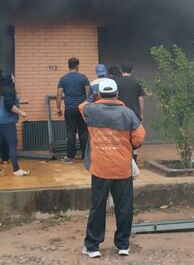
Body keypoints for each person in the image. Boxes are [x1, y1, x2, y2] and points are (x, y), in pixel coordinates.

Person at [78, 78, 145, 258]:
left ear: (99, 94)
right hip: (122, 169)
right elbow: (139, 136)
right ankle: (123, 245)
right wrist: (130, 146)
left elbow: (81, 106)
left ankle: (92, 247)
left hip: (100, 169)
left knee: (97, 207)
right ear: (117, 94)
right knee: (124, 207)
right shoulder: (128, 113)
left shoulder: (91, 110)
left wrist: (92, 97)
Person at [0, 74, 30, 176]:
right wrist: (21, 113)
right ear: (9, 80)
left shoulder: (4, 90)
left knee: (0, 142)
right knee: (12, 144)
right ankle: (16, 170)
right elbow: (9, 106)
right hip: (7, 121)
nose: (14, 78)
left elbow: (9, 102)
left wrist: (22, 102)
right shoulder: (8, 90)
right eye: (12, 76)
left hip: (0, 120)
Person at [56, 57, 91, 164]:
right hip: (81, 108)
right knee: (83, 132)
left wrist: (58, 108)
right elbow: (88, 93)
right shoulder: (83, 77)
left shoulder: (63, 79)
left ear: (69, 66)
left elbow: (59, 94)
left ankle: (70, 157)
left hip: (69, 108)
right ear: (77, 66)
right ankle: (85, 156)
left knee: (71, 132)